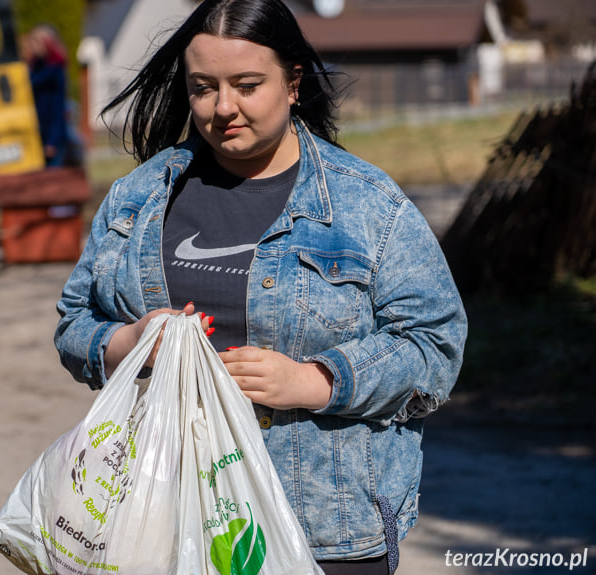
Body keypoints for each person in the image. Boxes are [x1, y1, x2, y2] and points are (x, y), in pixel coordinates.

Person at [54, 0, 468, 573]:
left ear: (293, 83)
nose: (224, 107)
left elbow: (434, 343)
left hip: (323, 532)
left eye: (247, 85)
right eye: (203, 88)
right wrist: (130, 344)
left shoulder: (367, 205)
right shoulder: (138, 198)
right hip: (161, 520)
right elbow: (75, 323)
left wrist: (314, 381)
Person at [24, 24, 70, 167]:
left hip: (52, 136)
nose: (33, 45)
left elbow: (57, 107)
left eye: (37, 42)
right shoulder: (36, 67)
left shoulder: (54, 71)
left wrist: (52, 141)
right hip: (38, 134)